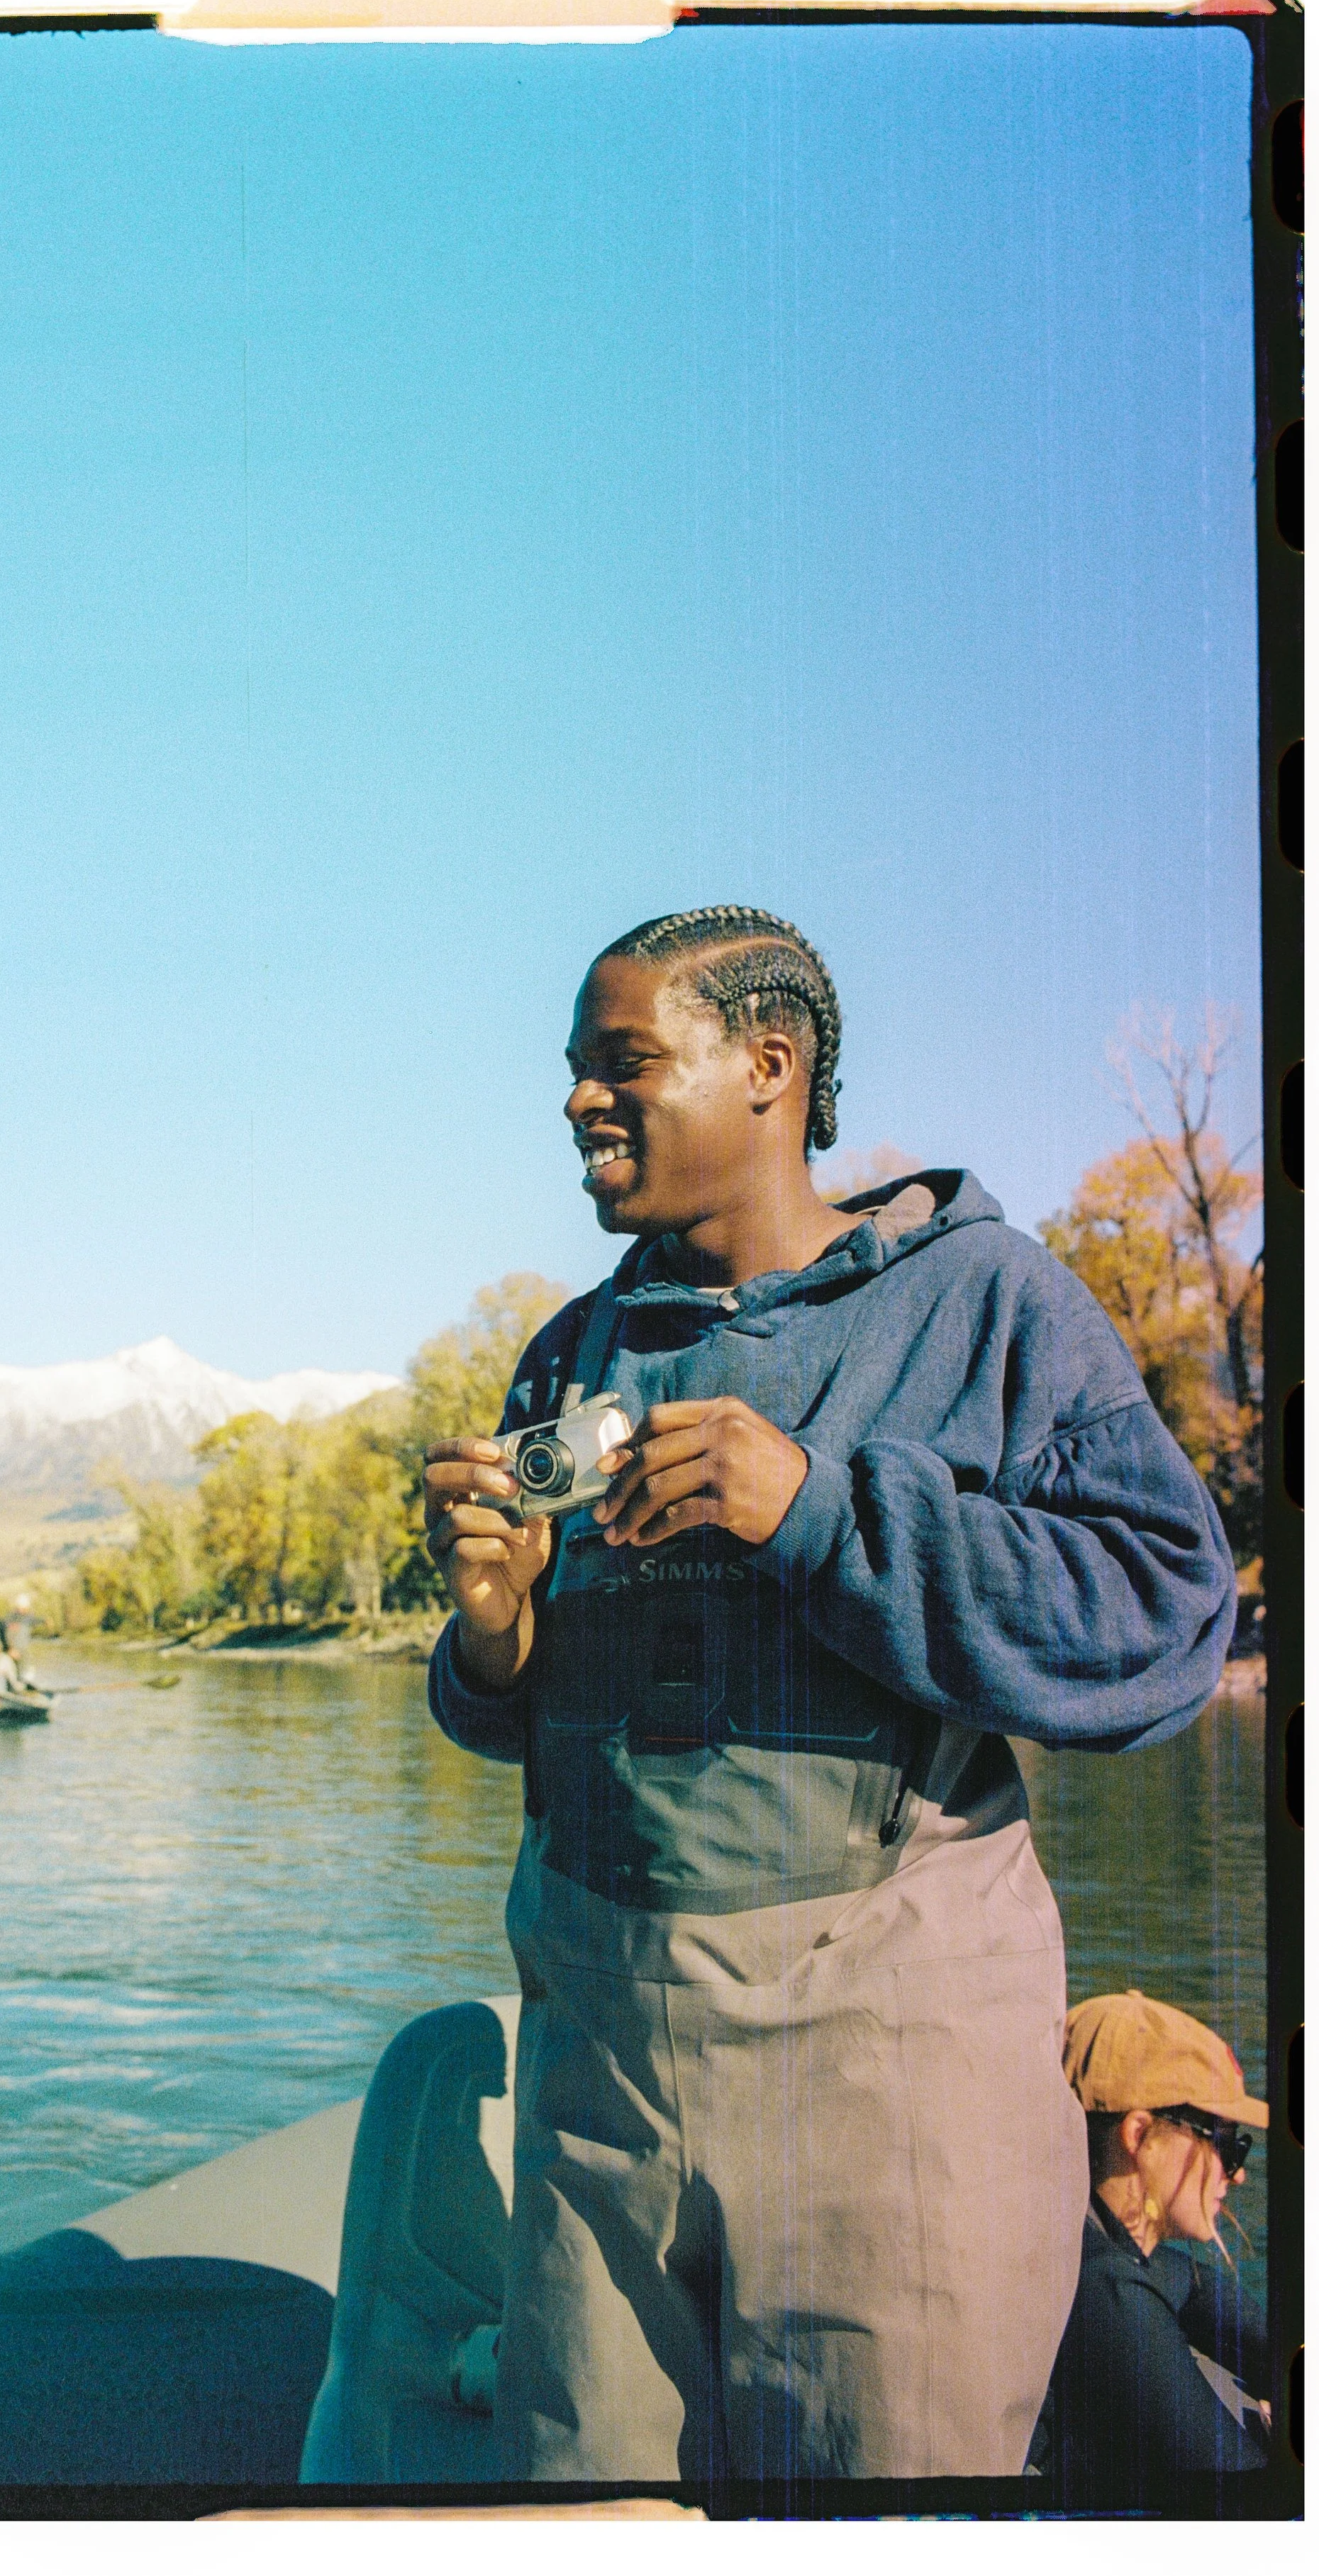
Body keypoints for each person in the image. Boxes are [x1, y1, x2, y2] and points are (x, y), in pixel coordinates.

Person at [422, 905, 1237, 2484]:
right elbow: (505, 1715)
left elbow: (1166, 1618)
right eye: (572, 1073)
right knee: (580, 2511)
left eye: (623, 1064)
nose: (579, 1103)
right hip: (596, 2068)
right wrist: (490, 1632)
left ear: (768, 1067)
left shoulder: (983, 1302)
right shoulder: (564, 1354)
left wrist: (810, 1502)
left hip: (883, 2071)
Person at [1031, 1989, 1269, 2497]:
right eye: (1224, 2143)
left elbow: (1193, 2283)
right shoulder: (1102, 2290)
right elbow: (1256, 2503)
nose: (1239, 2173)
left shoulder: (1078, 2237)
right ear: (1139, 2135)